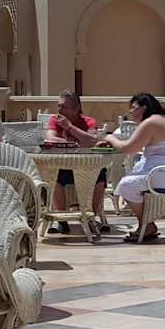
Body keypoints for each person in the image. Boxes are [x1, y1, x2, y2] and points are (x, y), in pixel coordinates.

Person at [97, 93, 165, 241]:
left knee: (126, 185)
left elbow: (128, 148)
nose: (131, 112)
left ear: (144, 108)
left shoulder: (151, 122)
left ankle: (147, 225)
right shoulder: (159, 119)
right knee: (132, 181)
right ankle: (147, 224)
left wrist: (110, 137)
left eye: (134, 107)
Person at [45, 91, 108, 232]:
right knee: (53, 174)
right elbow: (50, 138)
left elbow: (92, 141)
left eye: (62, 106)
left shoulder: (88, 122)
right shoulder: (55, 120)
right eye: (58, 105)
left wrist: (69, 127)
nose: (58, 109)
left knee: (101, 174)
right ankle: (61, 220)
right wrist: (75, 143)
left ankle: (92, 218)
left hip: (86, 167)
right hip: (64, 166)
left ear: (75, 108)